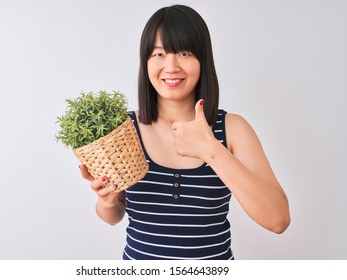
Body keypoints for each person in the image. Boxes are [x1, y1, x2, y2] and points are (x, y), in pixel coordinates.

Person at [79, 4, 290, 260]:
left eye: (184, 53)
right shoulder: (123, 130)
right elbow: (113, 216)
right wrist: (107, 202)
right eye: (158, 54)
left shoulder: (232, 129)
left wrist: (212, 150)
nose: (171, 66)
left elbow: (278, 220)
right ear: (145, 61)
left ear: (203, 60)